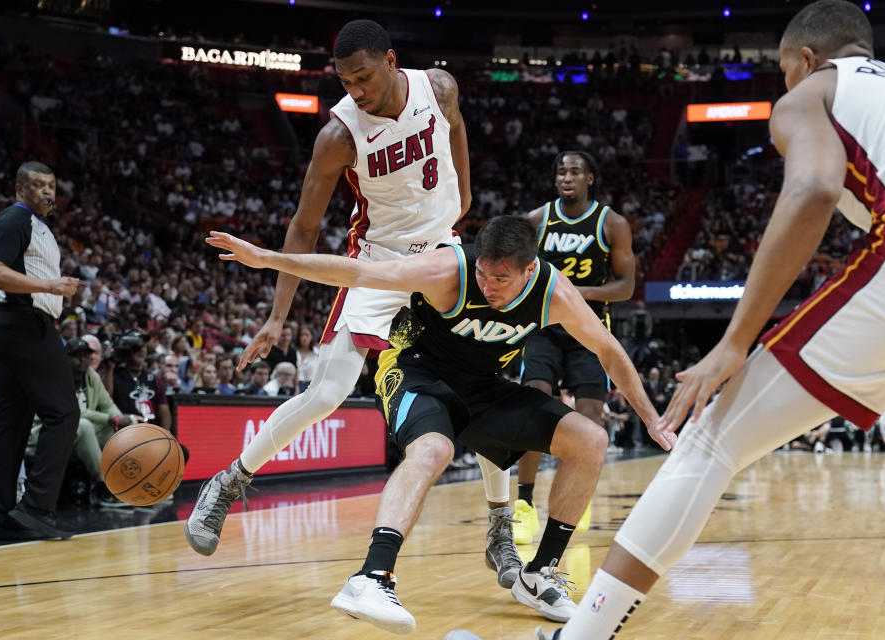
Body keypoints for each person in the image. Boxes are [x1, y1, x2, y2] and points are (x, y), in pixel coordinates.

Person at [490, 3, 885, 638]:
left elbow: (814, 187)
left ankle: (582, 635)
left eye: (786, 74)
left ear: (809, 62)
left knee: (712, 439)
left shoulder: (813, 92)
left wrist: (734, 342)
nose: (786, 90)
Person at [205, 215, 673, 633]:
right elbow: (359, 271)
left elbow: (609, 351)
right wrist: (267, 258)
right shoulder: (449, 269)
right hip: (414, 371)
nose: (489, 287)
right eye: (485, 275)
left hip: (482, 388)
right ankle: (371, 577)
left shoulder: (554, 292)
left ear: (530, 270)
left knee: (591, 439)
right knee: (433, 450)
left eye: (502, 280)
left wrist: (651, 419)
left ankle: (539, 573)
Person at [185, 18, 473, 558]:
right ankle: (228, 481)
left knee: (481, 380)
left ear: (391, 61)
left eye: (363, 78)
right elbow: (304, 225)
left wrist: (463, 199)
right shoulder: (338, 135)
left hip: (440, 255)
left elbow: (455, 126)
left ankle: (503, 529)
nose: (356, 91)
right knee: (327, 392)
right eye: (345, 82)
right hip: (378, 265)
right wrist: (277, 316)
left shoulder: (438, 88)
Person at [509, 150, 636, 547]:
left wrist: (575, 294)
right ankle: (525, 505)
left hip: (590, 329)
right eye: (561, 171)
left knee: (589, 417)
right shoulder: (536, 220)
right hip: (544, 327)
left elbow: (626, 286)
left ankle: (575, 499)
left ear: (591, 178)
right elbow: (515, 272)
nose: (567, 177)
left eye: (576, 171)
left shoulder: (611, 224)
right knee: (532, 404)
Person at [0, 160, 81, 541]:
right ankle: (37, 507)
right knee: (64, 413)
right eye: (38, 186)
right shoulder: (15, 219)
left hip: (12, 327)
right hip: (25, 325)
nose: (48, 193)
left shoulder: (37, 227)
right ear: (20, 189)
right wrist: (50, 287)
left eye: (51, 186)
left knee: (10, 423)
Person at [28, 337, 136, 508]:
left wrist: (121, 420)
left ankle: (131, 481)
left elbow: (107, 404)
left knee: (128, 426)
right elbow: (72, 413)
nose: (83, 360)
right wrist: (110, 419)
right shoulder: (55, 376)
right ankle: (104, 488)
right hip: (47, 431)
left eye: (86, 356)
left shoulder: (91, 375)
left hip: (79, 432)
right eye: (77, 356)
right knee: (84, 425)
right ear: (66, 359)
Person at [110, 331, 171, 431]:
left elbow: (164, 412)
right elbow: (106, 399)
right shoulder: (113, 375)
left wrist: (165, 436)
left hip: (152, 433)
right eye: (137, 347)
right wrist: (110, 368)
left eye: (144, 346)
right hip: (125, 433)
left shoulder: (152, 378)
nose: (142, 350)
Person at [295, 325, 320, 392]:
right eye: (302, 335)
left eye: (307, 335)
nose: (304, 338)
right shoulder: (294, 353)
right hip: (296, 386)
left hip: (312, 386)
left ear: (311, 337)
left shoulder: (318, 353)